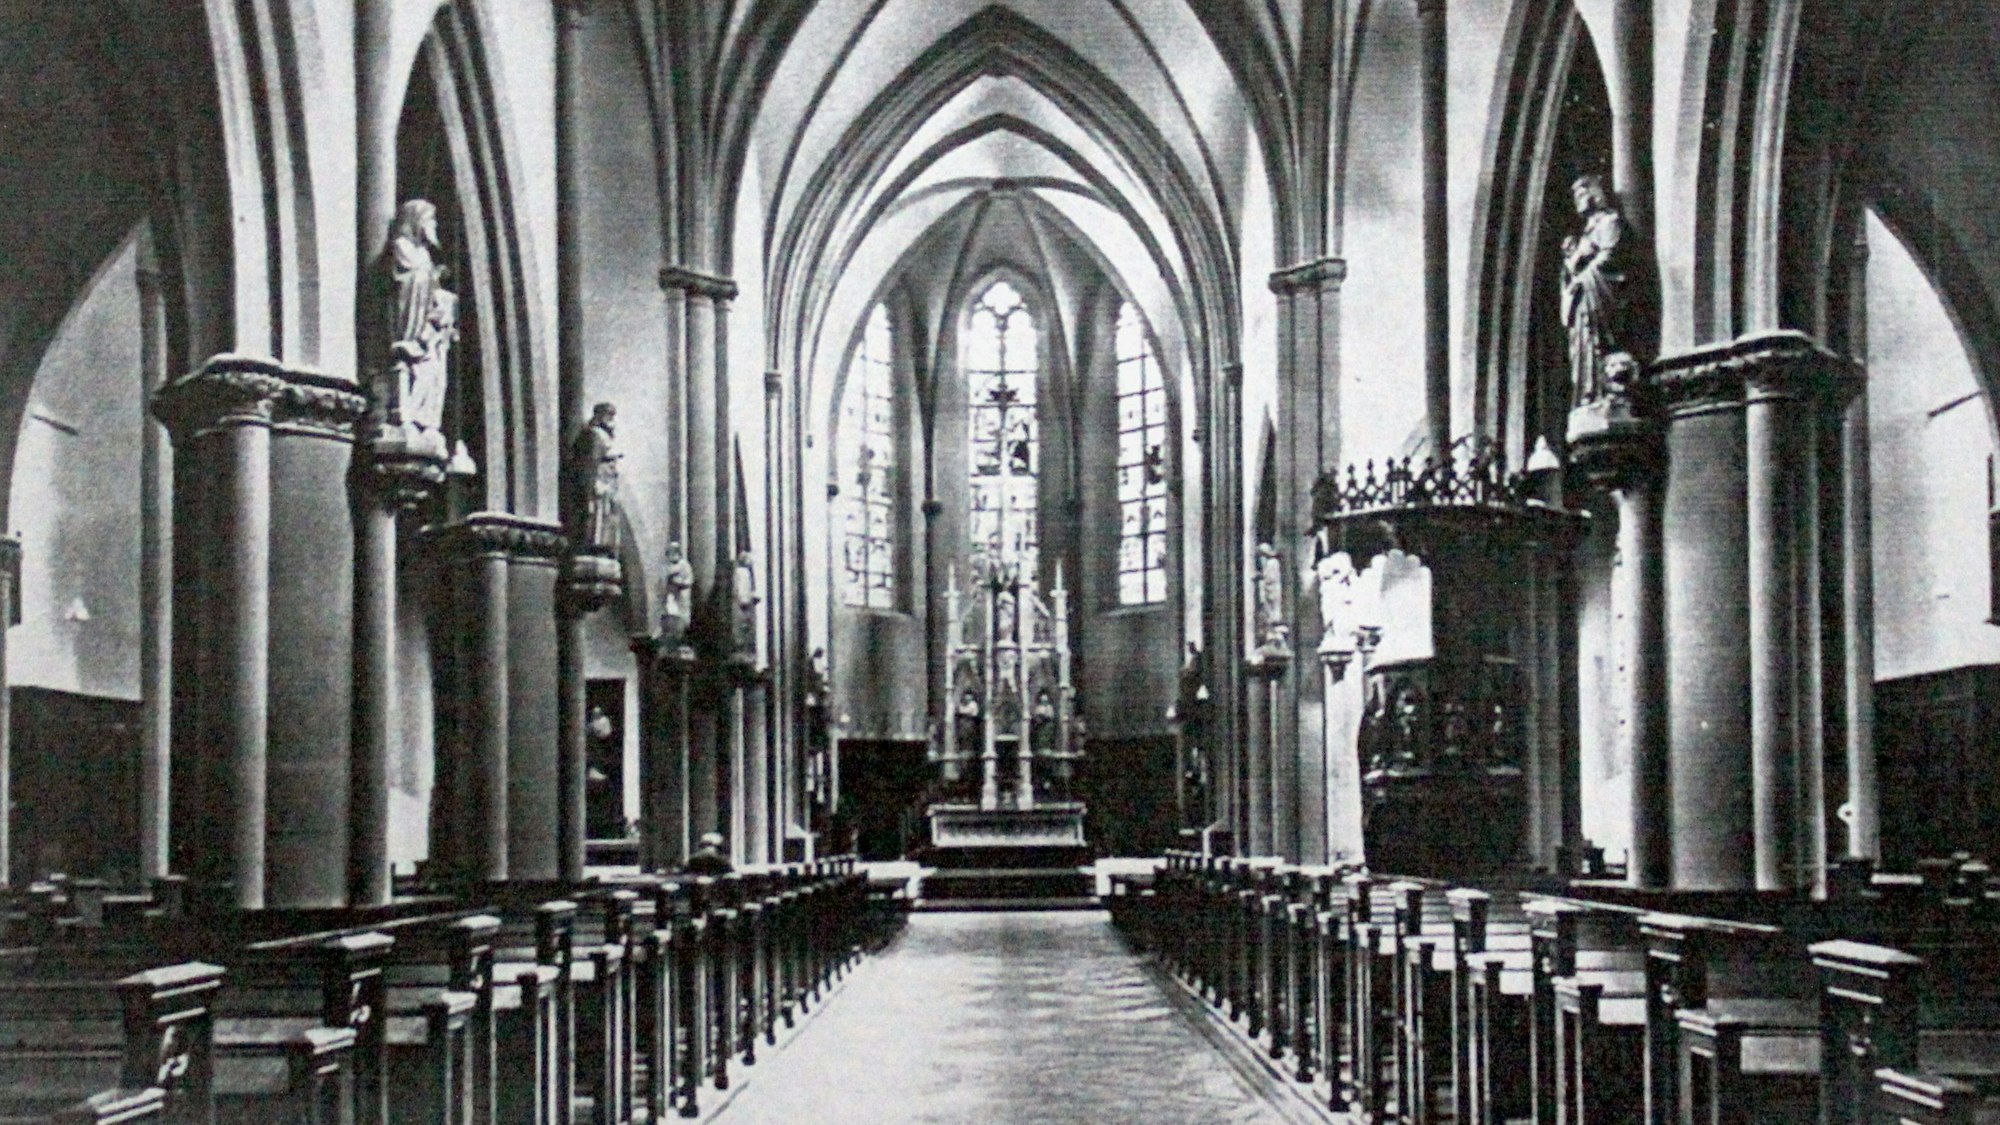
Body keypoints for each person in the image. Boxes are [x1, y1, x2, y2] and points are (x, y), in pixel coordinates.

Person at [1561, 174, 1639, 407]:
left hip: (1598, 294)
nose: (1578, 201)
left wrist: (1583, 275)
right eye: (1575, 196)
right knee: (1582, 345)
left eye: (1582, 194)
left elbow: (1610, 255)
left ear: (1595, 195)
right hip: (1583, 298)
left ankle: (1601, 389)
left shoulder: (1609, 221)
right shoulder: (1587, 231)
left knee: (1597, 342)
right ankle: (1589, 391)